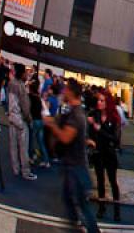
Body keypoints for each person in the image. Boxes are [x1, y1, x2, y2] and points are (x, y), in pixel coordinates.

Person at [44, 79, 99, 233]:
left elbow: (66, 137)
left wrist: (52, 125)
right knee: (71, 202)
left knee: (81, 205)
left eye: (66, 89)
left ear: (71, 92)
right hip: (71, 166)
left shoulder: (76, 115)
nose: (63, 92)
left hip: (76, 168)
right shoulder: (73, 113)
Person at [87, 92, 121, 222]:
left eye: (102, 100)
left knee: (113, 181)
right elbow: (90, 133)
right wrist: (90, 140)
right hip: (98, 153)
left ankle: (117, 210)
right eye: (98, 100)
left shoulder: (114, 118)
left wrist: (99, 128)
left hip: (110, 154)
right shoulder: (94, 114)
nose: (99, 102)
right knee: (100, 180)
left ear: (108, 103)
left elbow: (116, 139)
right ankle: (101, 208)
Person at [8, 63, 35, 180]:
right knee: (23, 148)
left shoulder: (11, 84)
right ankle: (26, 171)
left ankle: (15, 169)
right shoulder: (20, 87)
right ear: (22, 73)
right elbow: (25, 106)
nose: (26, 74)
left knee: (13, 147)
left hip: (11, 119)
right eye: (25, 72)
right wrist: (29, 119)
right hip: (21, 120)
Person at [28, 80, 50, 168]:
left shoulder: (30, 97)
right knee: (41, 142)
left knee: (30, 141)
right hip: (40, 121)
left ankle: (31, 158)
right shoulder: (39, 98)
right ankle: (46, 161)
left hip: (34, 121)